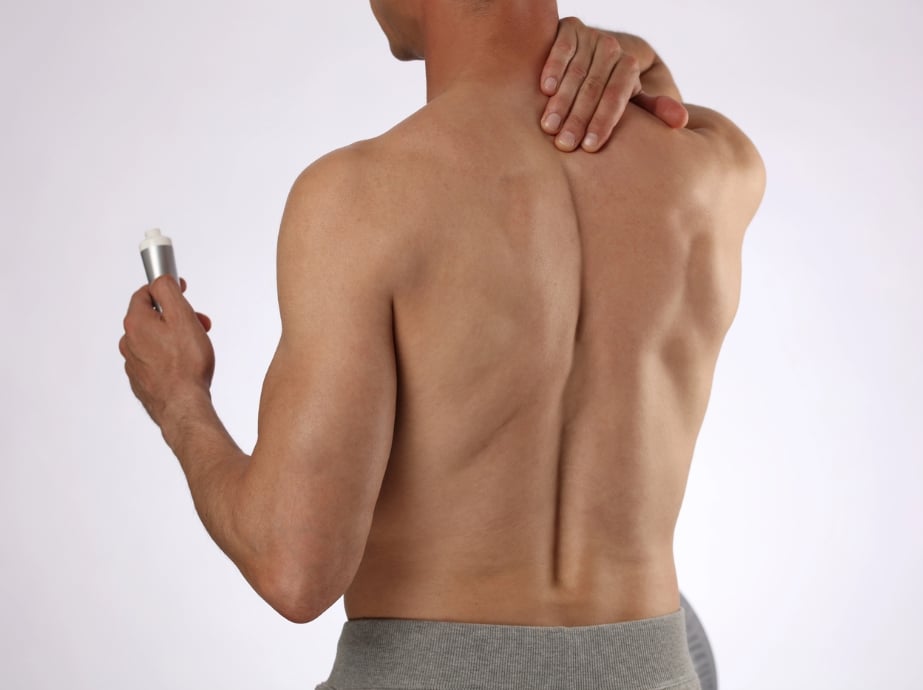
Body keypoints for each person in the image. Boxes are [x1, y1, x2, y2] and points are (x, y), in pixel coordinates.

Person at [120, 2, 765, 689]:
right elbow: (664, 108)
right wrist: (632, 54)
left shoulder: (361, 196)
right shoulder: (714, 169)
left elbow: (295, 567)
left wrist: (181, 402)